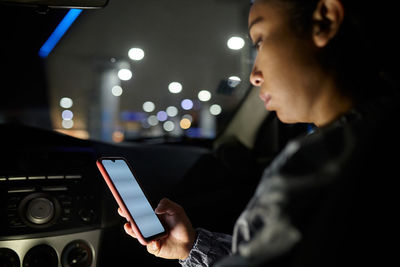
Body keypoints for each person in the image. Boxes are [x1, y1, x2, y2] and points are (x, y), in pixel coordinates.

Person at [118, 0, 400, 266]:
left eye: (261, 41)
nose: (254, 75)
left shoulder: (314, 168)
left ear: (324, 20)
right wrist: (192, 248)